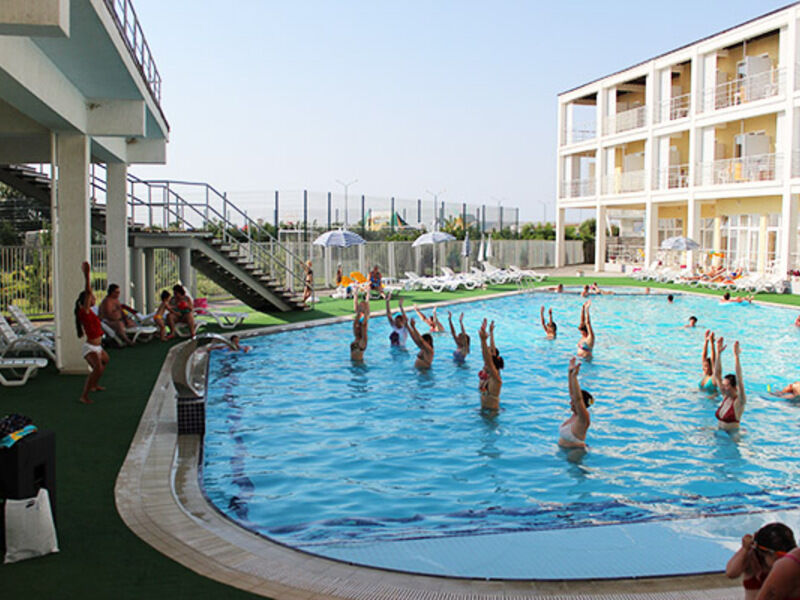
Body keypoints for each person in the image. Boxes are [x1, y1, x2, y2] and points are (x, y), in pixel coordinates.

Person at [726, 523, 797, 600]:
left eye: (787, 556)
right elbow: (731, 573)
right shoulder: (752, 559)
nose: (783, 561)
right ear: (763, 553)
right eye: (780, 557)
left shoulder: (792, 561)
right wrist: (745, 549)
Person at [74, 261, 110, 404]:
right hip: (90, 347)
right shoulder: (85, 312)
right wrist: (87, 275)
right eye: (93, 298)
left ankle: (94, 385)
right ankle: (84, 395)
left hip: (98, 346)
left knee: (105, 361)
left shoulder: (90, 312)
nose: (94, 299)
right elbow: (88, 291)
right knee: (97, 368)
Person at [713, 337, 746, 430]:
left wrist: (736, 357)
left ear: (734, 387)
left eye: (726, 385)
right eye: (723, 385)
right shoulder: (725, 396)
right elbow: (717, 375)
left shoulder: (740, 401)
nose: (722, 387)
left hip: (732, 436)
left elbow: (739, 379)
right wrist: (718, 354)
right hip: (719, 432)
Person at [559, 356, 592, 449]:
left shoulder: (583, 418)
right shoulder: (575, 415)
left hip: (576, 452)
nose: (570, 403)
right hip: (565, 451)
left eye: (572, 402)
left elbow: (578, 399)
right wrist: (570, 373)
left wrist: (575, 377)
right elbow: (573, 394)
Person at [478, 319, 503, 411]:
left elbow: (489, 357)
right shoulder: (488, 373)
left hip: (492, 413)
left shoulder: (496, 378)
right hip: (483, 410)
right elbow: (487, 357)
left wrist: (483, 340)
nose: (485, 364)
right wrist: (488, 334)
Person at [399, 302, 433, 369]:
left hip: (425, 372)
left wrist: (414, 327)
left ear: (428, 341)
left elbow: (421, 340)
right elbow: (414, 338)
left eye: (424, 340)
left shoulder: (429, 350)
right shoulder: (423, 348)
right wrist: (407, 325)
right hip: (419, 371)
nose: (422, 342)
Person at [350, 292, 370, 362]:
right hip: (353, 366)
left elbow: (364, 321)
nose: (356, 327)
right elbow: (357, 311)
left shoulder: (363, 340)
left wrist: (365, 308)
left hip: (360, 367)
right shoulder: (356, 338)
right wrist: (355, 295)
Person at [699, 330, 718, 394]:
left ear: (711, 367)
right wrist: (706, 341)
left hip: (712, 400)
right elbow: (704, 356)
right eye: (703, 366)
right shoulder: (705, 375)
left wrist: (712, 343)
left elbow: (713, 359)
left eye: (706, 366)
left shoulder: (714, 377)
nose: (703, 368)